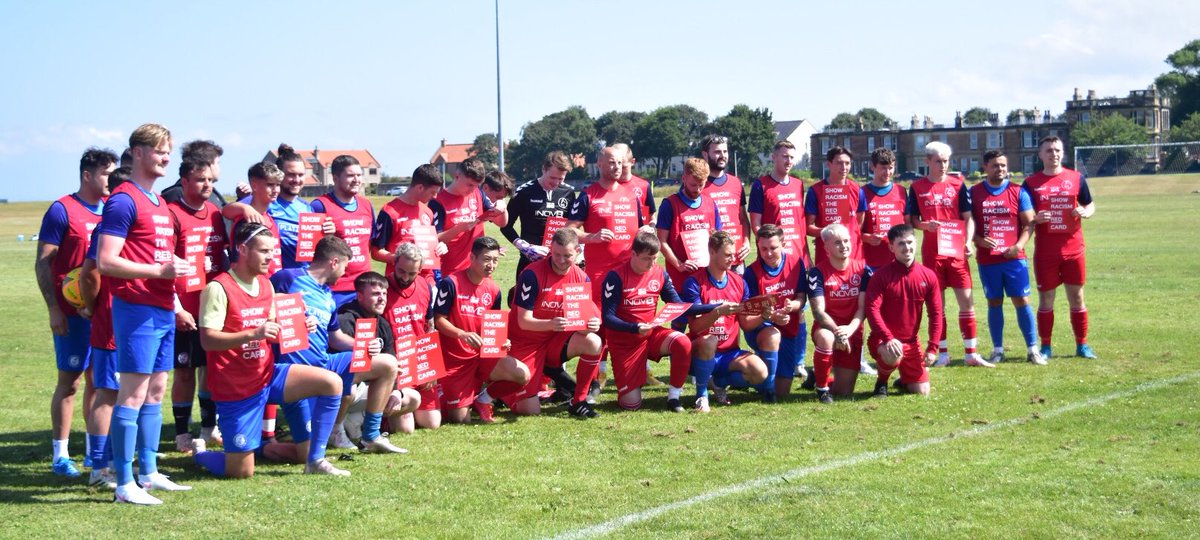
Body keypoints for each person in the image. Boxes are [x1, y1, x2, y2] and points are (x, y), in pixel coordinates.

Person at [191, 222, 348, 478]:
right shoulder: (218, 288)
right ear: (242, 249)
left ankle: (315, 461)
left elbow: (273, 330)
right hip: (236, 386)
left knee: (331, 383)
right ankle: (201, 454)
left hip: (267, 374)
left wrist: (298, 327)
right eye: (264, 251)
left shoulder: (266, 285)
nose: (271, 257)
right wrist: (254, 333)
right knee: (241, 473)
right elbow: (208, 341)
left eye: (272, 251)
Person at [96, 124, 192, 504]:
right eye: (158, 150)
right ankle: (123, 484)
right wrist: (159, 272)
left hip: (162, 306)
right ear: (137, 152)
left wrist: (173, 269)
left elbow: (152, 255)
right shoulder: (123, 200)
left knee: (156, 390)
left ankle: (149, 472)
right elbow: (106, 261)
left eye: (168, 150)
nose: (166, 157)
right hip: (135, 307)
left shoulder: (160, 203)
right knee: (132, 394)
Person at [270, 236, 405, 454]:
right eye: (344, 266)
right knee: (305, 453)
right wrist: (289, 316)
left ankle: (371, 436)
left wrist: (362, 346)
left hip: (325, 362)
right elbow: (262, 304)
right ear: (334, 262)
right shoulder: (288, 278)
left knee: (388, 363)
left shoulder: (328, 296)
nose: (344, 273)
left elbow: (335, 338)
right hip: (294, 370)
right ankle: (263, 445)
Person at [37, 147, 117, 477]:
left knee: (97, 384)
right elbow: (44, 261)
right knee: (68, 384)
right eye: (106, 174)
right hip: (71, 315)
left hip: (99, 313)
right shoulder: (62, 210)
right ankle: (60, 454)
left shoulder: (112, 211)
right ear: (87, 175)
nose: (111, 181)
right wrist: (55, 308)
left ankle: (92, 453)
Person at [490, 228, 605, 418]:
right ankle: (498, 391)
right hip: (523, 343)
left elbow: (585, 322)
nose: (560, 260)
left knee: (593, 341)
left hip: (553, 342)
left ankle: (579, 401)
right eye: (556, 254)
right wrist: (552, 324)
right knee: (530, 411)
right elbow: (523, 321)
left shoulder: (581, 277)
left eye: (567, 255)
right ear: (550, 248)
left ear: (577, 251)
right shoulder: (531, 274)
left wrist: (592, 325)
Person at [602, 232, 717, 411]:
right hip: (625, 343)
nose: (652, 263)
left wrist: (715, 308)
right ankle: (633, 378)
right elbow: (607, 318)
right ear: (633, 254)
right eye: (647, 258)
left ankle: (674, 397)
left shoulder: (659, 273)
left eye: (655, 258)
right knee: (631, 405)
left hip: (650, 335)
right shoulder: (615, 277)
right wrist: (634, 328)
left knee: (682, 341)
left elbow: (679, 306)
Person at [566, 146, 643, 403]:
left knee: (628, 327)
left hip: (629, 273)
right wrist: (592, 237)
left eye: (620, 163)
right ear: (599, 163)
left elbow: (640, 229)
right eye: (611, 162)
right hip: (599, 275)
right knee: (596, 328)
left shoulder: (632, 195)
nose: (617, 167)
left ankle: (629, 380)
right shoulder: (588, 195)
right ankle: (591, 385)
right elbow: (569, 230)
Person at [167, 157, 229, 455]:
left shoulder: (216, 213)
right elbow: (163, 264)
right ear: (184, 181)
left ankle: (208, 428)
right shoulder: (172, 214)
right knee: (183, 371)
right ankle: (181, 433)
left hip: (212, 308)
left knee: (209, 369)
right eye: (201, 180)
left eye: (211, 181)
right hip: (184, 308)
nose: (208, 185)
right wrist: (176, 307)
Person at [905, 141, 981, 367]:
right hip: (932, 255)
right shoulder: (917, 188)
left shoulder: (958, 185)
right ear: (927, 162)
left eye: (946, 161)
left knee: (966, 302)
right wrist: (924, 226)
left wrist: (968, 242)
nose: (943, 165)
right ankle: (943, 354)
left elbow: (968, 219)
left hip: (956, 253)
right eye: (938, 161)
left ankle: (970, 354)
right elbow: (914, 221)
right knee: (937, 306)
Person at [78, 166, 131, 489]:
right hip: (111, 321)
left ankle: (117, 460)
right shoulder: (106, 228)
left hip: (133, 319)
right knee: (107, 391)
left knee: (129, 392)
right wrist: (94, 307)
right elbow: (89, 273)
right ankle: (99, 466)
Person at [1023, 136, 1097, 359]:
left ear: (1062, 153)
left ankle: (1082, 345)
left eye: (1057, 150)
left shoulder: (1076, 178)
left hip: (1074, 249)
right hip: (1046, 252)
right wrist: (1037, 217)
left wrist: (1086, 212)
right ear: (1040, 155)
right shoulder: (1031, 183)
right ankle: (1045, 346)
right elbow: (1025, 216)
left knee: (1077, 297)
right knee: (1046, 299)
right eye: (1048, 151)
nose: (1053, 154)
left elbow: (1089, 203)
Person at [432, 236, 518, 423]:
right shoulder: (451, 283)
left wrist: (502, 340)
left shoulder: (494, 289)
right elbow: (438, 320)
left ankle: (483, 399)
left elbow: (493, 325)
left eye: (495, 260)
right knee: (460, 420)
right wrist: (461, 334)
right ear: (472, 258)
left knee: (521, 375)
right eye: (486, 259)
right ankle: (446, 395)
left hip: (481, 356)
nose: (491, 265)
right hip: (454, 362)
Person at [971, 150, 1044, 365]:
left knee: (1022, 300)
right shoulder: (974, 193)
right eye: (995, 165)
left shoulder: (1018, 191)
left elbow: (1029, 223)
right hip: (988, 259)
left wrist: (1018, 246)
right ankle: (998, 349)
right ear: (985, 167)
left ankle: (1033, 349)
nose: (1000, 169)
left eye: (1003, 165)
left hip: (1014, 258)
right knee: (994, 302)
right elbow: (966, 224)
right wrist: (978, 240)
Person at [682, 231, 764, 412]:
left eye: (733, 255)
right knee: (709, 340)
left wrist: (765, 316)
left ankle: (718, 383)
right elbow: (695, 327)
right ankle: (701, 396)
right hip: (699, 351)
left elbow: (745, 323)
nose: (732, 259)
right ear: (712, 252)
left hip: (729, 354)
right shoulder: (694, 283)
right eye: (727, 255)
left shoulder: (739, 282)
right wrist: (718, 312)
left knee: (760, 373)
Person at [336, 271, 425, 437]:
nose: (382, 298)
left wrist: (395, 391)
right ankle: (337, 426)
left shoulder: (382, 323)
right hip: (346, 389)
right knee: (350, 388)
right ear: (360, 296)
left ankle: (359, 419)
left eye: (384, 293)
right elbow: (342, 366)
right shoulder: (345, 319)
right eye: (376, 294)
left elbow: (393, 362)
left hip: (370, 388)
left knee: (412, 398)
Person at [864, 224, 943, 396]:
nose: (907, 248)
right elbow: (872, 309)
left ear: (916, 242)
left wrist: (932, 347)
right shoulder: (881, 276)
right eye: (901, 244)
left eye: (909, 242)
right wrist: (888, 337)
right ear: (891, 247)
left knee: (922, 392)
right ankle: (882, 381)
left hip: (912, 342)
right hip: (883, 340)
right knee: (894, 353)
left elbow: (936, 314)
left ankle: (905, 378)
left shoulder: (928, 276)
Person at [805, 224, 872, 403]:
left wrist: (848, 331)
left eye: (846, 241)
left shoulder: (863, 270)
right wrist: (837, 333)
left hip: (853, 330)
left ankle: (819, 376)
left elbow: (862, 308)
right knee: (826, 338)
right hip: (827, 328)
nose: (843, 246)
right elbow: (818, 312)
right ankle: (822, 389)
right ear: (826, 247)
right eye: (837, 243)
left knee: (844, 393)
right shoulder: (816, 273)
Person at [743, 224, 808, 400]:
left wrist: (791, 306)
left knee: (784, 391)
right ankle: (766, 387)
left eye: (773, 248)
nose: (769, 253)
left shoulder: (796, 263)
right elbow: (748, 315)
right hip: (762, 327)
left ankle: (750, 378)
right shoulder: (751, 273)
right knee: (772, 335)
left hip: (788, 326)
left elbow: (801, 298)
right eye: (763, 249)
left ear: (783, 244)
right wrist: (771, 316)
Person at [382, 244, 441, 431]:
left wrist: (431, 367)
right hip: (396, 366)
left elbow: (430, 327)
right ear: (394, 263)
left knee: (432, 424)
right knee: (405, 430)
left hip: (420, 361)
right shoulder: (381, 290)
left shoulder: (425, 286)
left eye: (412, 273)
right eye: (401, 271)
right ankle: (379, 415)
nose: (405, 278)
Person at [310, 155, 376, 307]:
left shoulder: (366, 205)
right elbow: (309, 250)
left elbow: (370, 243)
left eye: (359, 175)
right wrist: (325, 237)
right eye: (350, 175)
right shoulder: (320, 205)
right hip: (335, 288)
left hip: (363, 285)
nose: (356, 180)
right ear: (335, 178)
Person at [499, 151, 577, 279]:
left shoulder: (569, 193)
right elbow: (505, 225)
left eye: (561, 178)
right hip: (530, 260)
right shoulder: (524, 191)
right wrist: (524, 247)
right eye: (552, 178)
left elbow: (574, 226)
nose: (556, 183)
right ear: (544, 169)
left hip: (560, 262)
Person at [655, 157, 722, 294]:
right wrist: (679, 264)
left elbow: (719, 238)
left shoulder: (710, 204)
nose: (697, 189)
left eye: (701, 185)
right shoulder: (670, 204)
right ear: (684, 178)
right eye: (693, 185)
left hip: (707, 275)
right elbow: (661, 241)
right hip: (681, 277)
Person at [431, 157, 503, 277]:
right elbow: (434, 240)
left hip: (479, 270)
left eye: (476, 185)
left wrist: (501, 207)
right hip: (452, 272)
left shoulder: (478, 193)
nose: (472, 189)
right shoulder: (438, 201)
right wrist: (459, 229)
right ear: (457, 175)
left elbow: (501, 223)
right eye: (469, 184)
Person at [372, 163, 446, 280]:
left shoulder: (428, 212)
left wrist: (440, 246)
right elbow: (376, 252)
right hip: (401, 280)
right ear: (420, 188)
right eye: (433, 192)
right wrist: (399, 259)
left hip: (426, 280)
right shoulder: (389, 212)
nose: (435, 197)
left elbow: (430, 243)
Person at [806, 146, 867, 266]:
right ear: (828, 164)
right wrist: (826, 232)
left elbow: (859, 223)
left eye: (847, 163)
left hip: (854, 256)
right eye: (839, 163)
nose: (844, 167)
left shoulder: (857, 190)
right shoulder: (816, 191)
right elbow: (807, 227)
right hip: (826, 257)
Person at [699, 135, 752, 268]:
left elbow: (743, 218)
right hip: (710, 259)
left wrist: (746, 241)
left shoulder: (736, 182)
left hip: (735, 258)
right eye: (717, 152)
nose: (722, 155)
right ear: (705, 155)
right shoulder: (697, 184)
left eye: (725, 151)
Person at [160, 140, 249, 208]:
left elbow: (225, 222)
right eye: (218, 163)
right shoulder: (177, 194)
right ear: (208, 164)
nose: (219, 168)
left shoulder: (211, 193)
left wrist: (242, 199)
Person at [861, 148, 907, 269]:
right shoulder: (862, 193)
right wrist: (867, 238)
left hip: (898, 260)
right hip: (871, 262)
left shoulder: (901, 191)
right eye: (883, 168)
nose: (887, 172)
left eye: (890, 168)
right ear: (872, 166)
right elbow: (854, 230)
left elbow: (908, 225)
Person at [611, 143, 655, 223]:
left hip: (639, 235)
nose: (619, 170)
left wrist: (651, 229)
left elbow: (651, 217)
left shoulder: (644, 186)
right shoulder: (607, 187)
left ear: (632, 162)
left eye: (623, 167)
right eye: (616, 166)